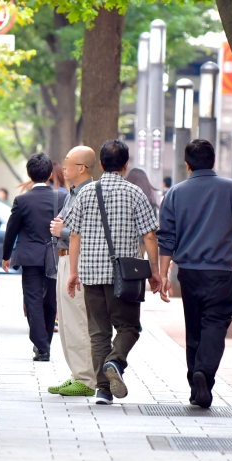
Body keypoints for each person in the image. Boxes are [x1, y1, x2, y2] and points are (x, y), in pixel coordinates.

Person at [64, 139, 162, 405]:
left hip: (91, 273)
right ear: (125, 165)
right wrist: (155, 271)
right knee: (129, 326)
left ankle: (103, 390)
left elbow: (74, 235)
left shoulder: (85, 193)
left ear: (102, 164)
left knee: (98, 333)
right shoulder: (135, 193)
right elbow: (150, 236)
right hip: (125, 276)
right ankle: (115, 362)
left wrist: (73, 271)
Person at [157, 139, 232, 409]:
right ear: (212, 162)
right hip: (220, 272)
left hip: (188, 273)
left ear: (187, 165)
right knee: (216, 323)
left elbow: (167, 238)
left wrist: (164, 274)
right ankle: (204, 373)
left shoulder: (175, 193)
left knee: (194, 326)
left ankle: (195, 386)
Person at [2, 153, 64, 361]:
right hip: (54, 258)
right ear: (49, 174)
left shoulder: (22, 200)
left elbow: (12, 229)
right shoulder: (61, 197)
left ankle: (42, 346)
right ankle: (44, 342)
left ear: (29, 174)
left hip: (30, 257)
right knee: (50, 301)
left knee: (33, 300)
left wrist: (6, 255)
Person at [47, 146, 97, 397]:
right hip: (65, 259)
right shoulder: (72, 193)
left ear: (81, 168)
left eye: (68, 162)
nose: (63, 166)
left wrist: (61, 231)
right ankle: (78, 374)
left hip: (78, 262)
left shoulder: (89, 193)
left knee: (77, 320)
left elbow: (87, 234)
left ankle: (86, 379)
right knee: (66, 321)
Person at [126, 168, 159, 257]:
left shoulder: (123, 198)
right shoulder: (150, 201)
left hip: (123, 242)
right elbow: (151, 232)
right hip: (142, 243)